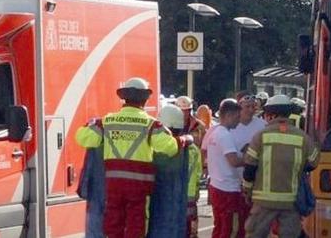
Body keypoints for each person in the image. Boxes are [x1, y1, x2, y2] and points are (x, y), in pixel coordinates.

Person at [75, 77, 182, 238]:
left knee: (113, 224)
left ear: (124, 97)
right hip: (139, 188)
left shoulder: (107, 121)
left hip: (114, 186)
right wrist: (183, 141)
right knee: (136, 225)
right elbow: (170, 148)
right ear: (145, 99)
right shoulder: (150, 124)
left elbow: (82, 138)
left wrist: (92, 123)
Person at [242, 95, 319, 238]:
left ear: (270, 115)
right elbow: (313, 163)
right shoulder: (303, 137)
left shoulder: (260, 136)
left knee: (255, 233)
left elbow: (249, 168)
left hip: (263, 201)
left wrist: (247, 189)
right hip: (290, 201)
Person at [204, 99, 249, 238]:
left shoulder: (214, 132)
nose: (239, 121)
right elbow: (234, 161)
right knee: (231, 229)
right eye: (237, 117)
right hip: (228, 189)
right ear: (229, 115)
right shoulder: (224, 135)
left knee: (220, 226)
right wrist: (250, 159)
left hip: (217, 185)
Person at [159, 103, 203, 238]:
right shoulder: (193, 148)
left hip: (164, 200)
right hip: (187, 200)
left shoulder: (159, 146)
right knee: (187, 231)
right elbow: (198, 173)